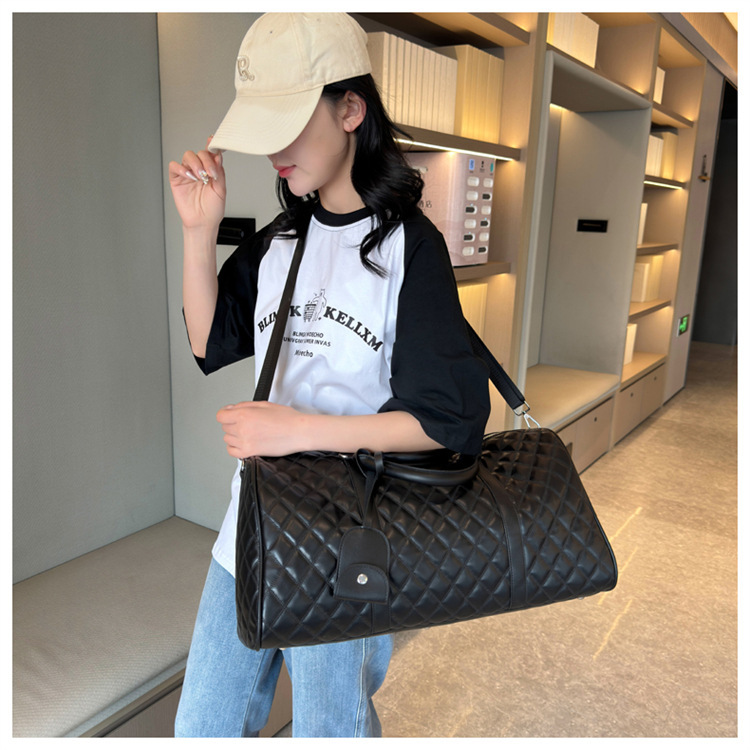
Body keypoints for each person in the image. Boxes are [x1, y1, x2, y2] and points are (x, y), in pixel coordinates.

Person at [168, 12, 490, 738]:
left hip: (352, 539)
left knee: (328, 731)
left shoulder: (411, 247)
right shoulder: (280, 240)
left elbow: (445, 421)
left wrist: (296, 431)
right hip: (254, 524)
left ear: (351, 110)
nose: (274, 150)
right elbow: (208, 341)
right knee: (201, 728)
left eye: (288, 124)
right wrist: (197, 231)